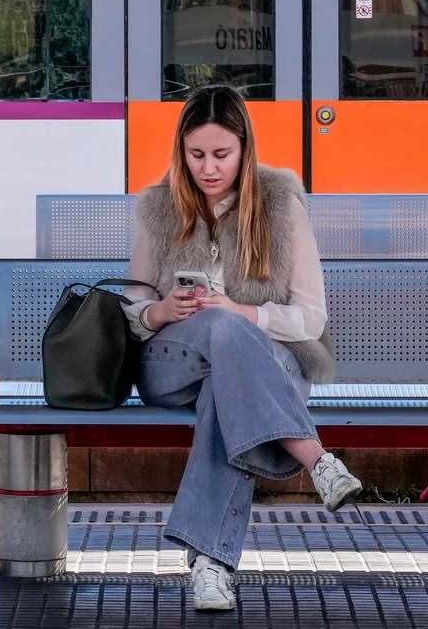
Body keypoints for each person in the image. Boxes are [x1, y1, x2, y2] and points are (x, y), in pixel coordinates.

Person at [122, 84, 363, 612]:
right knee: (221, 335)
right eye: (196, 155)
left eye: (221, 155)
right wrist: (159, 311)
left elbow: (311, 318)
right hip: (171, 363)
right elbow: (134, 298)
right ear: (181, 151)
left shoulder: (279, 206)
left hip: (257, 365)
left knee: (224, 381)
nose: (208, 169)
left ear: (244, 150)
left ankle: (210, 565)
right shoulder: (162, 207)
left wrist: (243, 313)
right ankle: (316, 459)